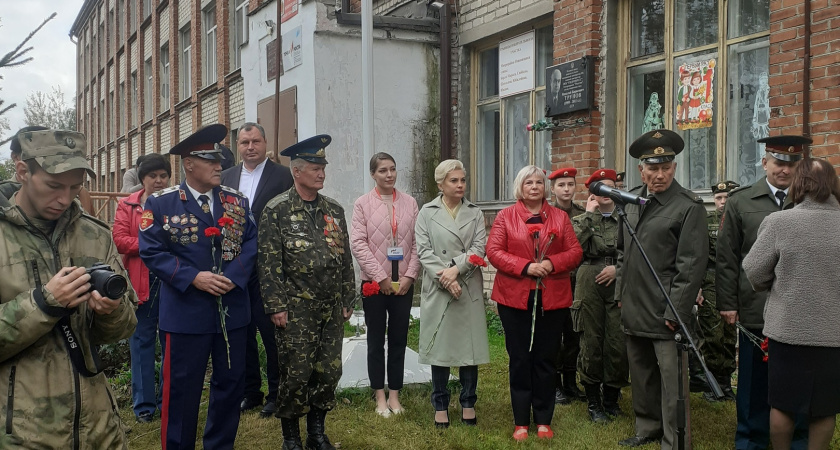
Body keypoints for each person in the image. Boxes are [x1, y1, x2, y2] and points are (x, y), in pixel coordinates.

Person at [0, 129, 138, 448]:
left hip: (100, 430)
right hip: (21, 433)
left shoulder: (95, 235)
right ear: (22, 171)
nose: (65, 199)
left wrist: (110, 312)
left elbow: (125, 327)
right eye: (53, 186)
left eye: (75, 187)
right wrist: (43, 304)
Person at [139, 124, 258, 449]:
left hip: (231, 310)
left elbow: (251, 243)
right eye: (211, 160)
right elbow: (152, 251)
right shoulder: (161, 204)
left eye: (219, 160)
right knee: (181, 389)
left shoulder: (236, 200)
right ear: (189, 164)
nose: (220, 165)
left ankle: (219, 445)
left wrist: (233, 276)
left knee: (230, 386)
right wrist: (192, 277)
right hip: (186, 313)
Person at [258, 135, 356, 450]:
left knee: (328, 372)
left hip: (331, 307)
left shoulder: (334, 210)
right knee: (296, 374)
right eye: (315, 168)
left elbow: (344, 258)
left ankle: (316, 434)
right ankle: (291, 438)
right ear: (297, 171)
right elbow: (269, 263)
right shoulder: (277, 209)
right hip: (296, 308)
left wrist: (348, 297)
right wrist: (276, 305)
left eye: (323, 168)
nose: (321, 173)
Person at [716, 135, 810, 450]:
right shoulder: (741, 202)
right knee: (754, 380)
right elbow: (727, 257)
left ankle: (797, 439)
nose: (784, 170)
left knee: (798, 379)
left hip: (799, 309)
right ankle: (750, 439)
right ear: (764, 162)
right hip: (755, 307)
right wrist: (727, 303)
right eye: (779, 163)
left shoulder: (811, 200)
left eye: (792, 164)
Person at [615, 129, 708, 449]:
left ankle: (675, 440)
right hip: (634, 304)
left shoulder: (688, 206)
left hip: (667, 309)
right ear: (641, 170)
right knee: (641, 373)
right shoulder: (630, 201)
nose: (659, 175)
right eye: (652, 169)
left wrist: (676, 311)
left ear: (674, 168)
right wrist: (620, 295)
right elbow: (622, 254)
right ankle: (648, 426)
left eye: (666, 168)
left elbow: (691, 265)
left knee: (672, 381)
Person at [743, 158, 840, 450]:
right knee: (824, 408)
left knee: (783, 405)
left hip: (787, 333)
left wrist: (773, 283)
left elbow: (754, 270)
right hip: (833, 334)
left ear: (800, 184)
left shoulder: (779, 222)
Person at [487, 165, 582, 441]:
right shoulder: (505, 216)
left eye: (539, 182)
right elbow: (493, 251)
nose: (534, 187)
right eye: (528, 182)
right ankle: (520, 421)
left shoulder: (560, 217)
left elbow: (575, 252)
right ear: (520, 187)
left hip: (552, 299)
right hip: (514, 298)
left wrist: (552, 263)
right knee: (519, 359)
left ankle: (543, 419)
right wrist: (526, 266)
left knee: (546, 358)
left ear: (545, 188)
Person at [221, 122, 294, 417]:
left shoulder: (283, 176)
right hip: (235, 265)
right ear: (238, 146)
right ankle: (250, 391)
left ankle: (276, 393)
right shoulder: (226, 177)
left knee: (271, 331)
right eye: (244, 142)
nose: (250, 147)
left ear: (265, 143)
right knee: (242, 331)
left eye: (255, 141)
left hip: (269, 266)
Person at [415, 159, 489, 429]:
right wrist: (446, 278)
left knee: (469, 350)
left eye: (463, 180)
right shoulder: (426, 212)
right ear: (440, 184)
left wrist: (456, 270)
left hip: (467, 285)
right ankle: (440, 404)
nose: (460, 185)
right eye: (453, 180)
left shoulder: (475, 213)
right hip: (439, 287)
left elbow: (479, 247)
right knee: (441, 350)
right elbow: (423, 251)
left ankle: (468, 402)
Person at [349, 152, 420, 417]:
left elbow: (418, 243)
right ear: (373, 174)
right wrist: (380, 277)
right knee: (376, 340)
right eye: (382, 171)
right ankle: (379, 395)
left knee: (399, 339)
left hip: (403, 285)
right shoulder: (362, 204)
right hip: (375, 285)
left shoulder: (410, 203)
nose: (389, 175)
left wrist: (410, 276)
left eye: (392, 169)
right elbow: (358, 243)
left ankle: (395, 395)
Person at [113, 153, 172, 423]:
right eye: (152, 176)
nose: (158, 181)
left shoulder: (176, 203)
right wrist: (151, 246)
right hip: (140, 284)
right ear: (142, 178)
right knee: (141, 344)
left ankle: (167, 400)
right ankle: (144, 406)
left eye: (163, 175)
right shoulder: (127, 205)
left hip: (171, 282)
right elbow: (120, 240)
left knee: (171, 344)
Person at [572, 169, 628, 424]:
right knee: (591, 340)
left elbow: (636, 250)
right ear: (592, 192)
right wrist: (590, 214)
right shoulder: (581, 219)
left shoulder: (626, 217)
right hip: (589, 278)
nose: (606, 192)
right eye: (600, 187)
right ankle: (593, 401)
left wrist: (618, 270)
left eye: (610, 186)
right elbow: (572, 248)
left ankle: (612, 400)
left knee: (617, 340)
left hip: (618, 279)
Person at [692, 180, 738, 402]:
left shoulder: (738, 221)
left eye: (726, 198)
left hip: (733, 281)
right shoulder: (707, 221)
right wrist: (698, 286)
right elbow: (698, 255)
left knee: (730, 334)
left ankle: (725, 383)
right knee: (713, 333)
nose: (722, 202)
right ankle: (712, 384)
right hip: (711, 280)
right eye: (719, 198)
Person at [548, 167, 585, 405]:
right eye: (561, 185)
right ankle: (555, 384)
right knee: (555, 334)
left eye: (570, 184)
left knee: (574, 333)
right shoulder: (548, 215)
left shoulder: (582, 213)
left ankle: (571, 382)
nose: (566, 189)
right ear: (553, 189)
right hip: (556, 280)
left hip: (578, 280)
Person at [6, 125, 95, 214]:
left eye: (74, 187)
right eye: (53, 186)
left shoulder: (80, 194)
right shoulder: (6, 198)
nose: (65, 201)